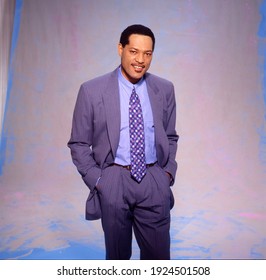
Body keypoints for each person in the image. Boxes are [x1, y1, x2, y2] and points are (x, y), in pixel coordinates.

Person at [68, 24, 179, 260]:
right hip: (114, 181)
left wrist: (166, 174)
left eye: (147, 54)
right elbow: (78, 143)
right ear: (121, 49)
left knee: (159, 259)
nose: (141, 60)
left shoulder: (164, 89)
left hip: (153, 180)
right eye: (134, 51)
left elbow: (170, 135)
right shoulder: (91, 91)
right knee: (118, 259)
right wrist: (99, 181)